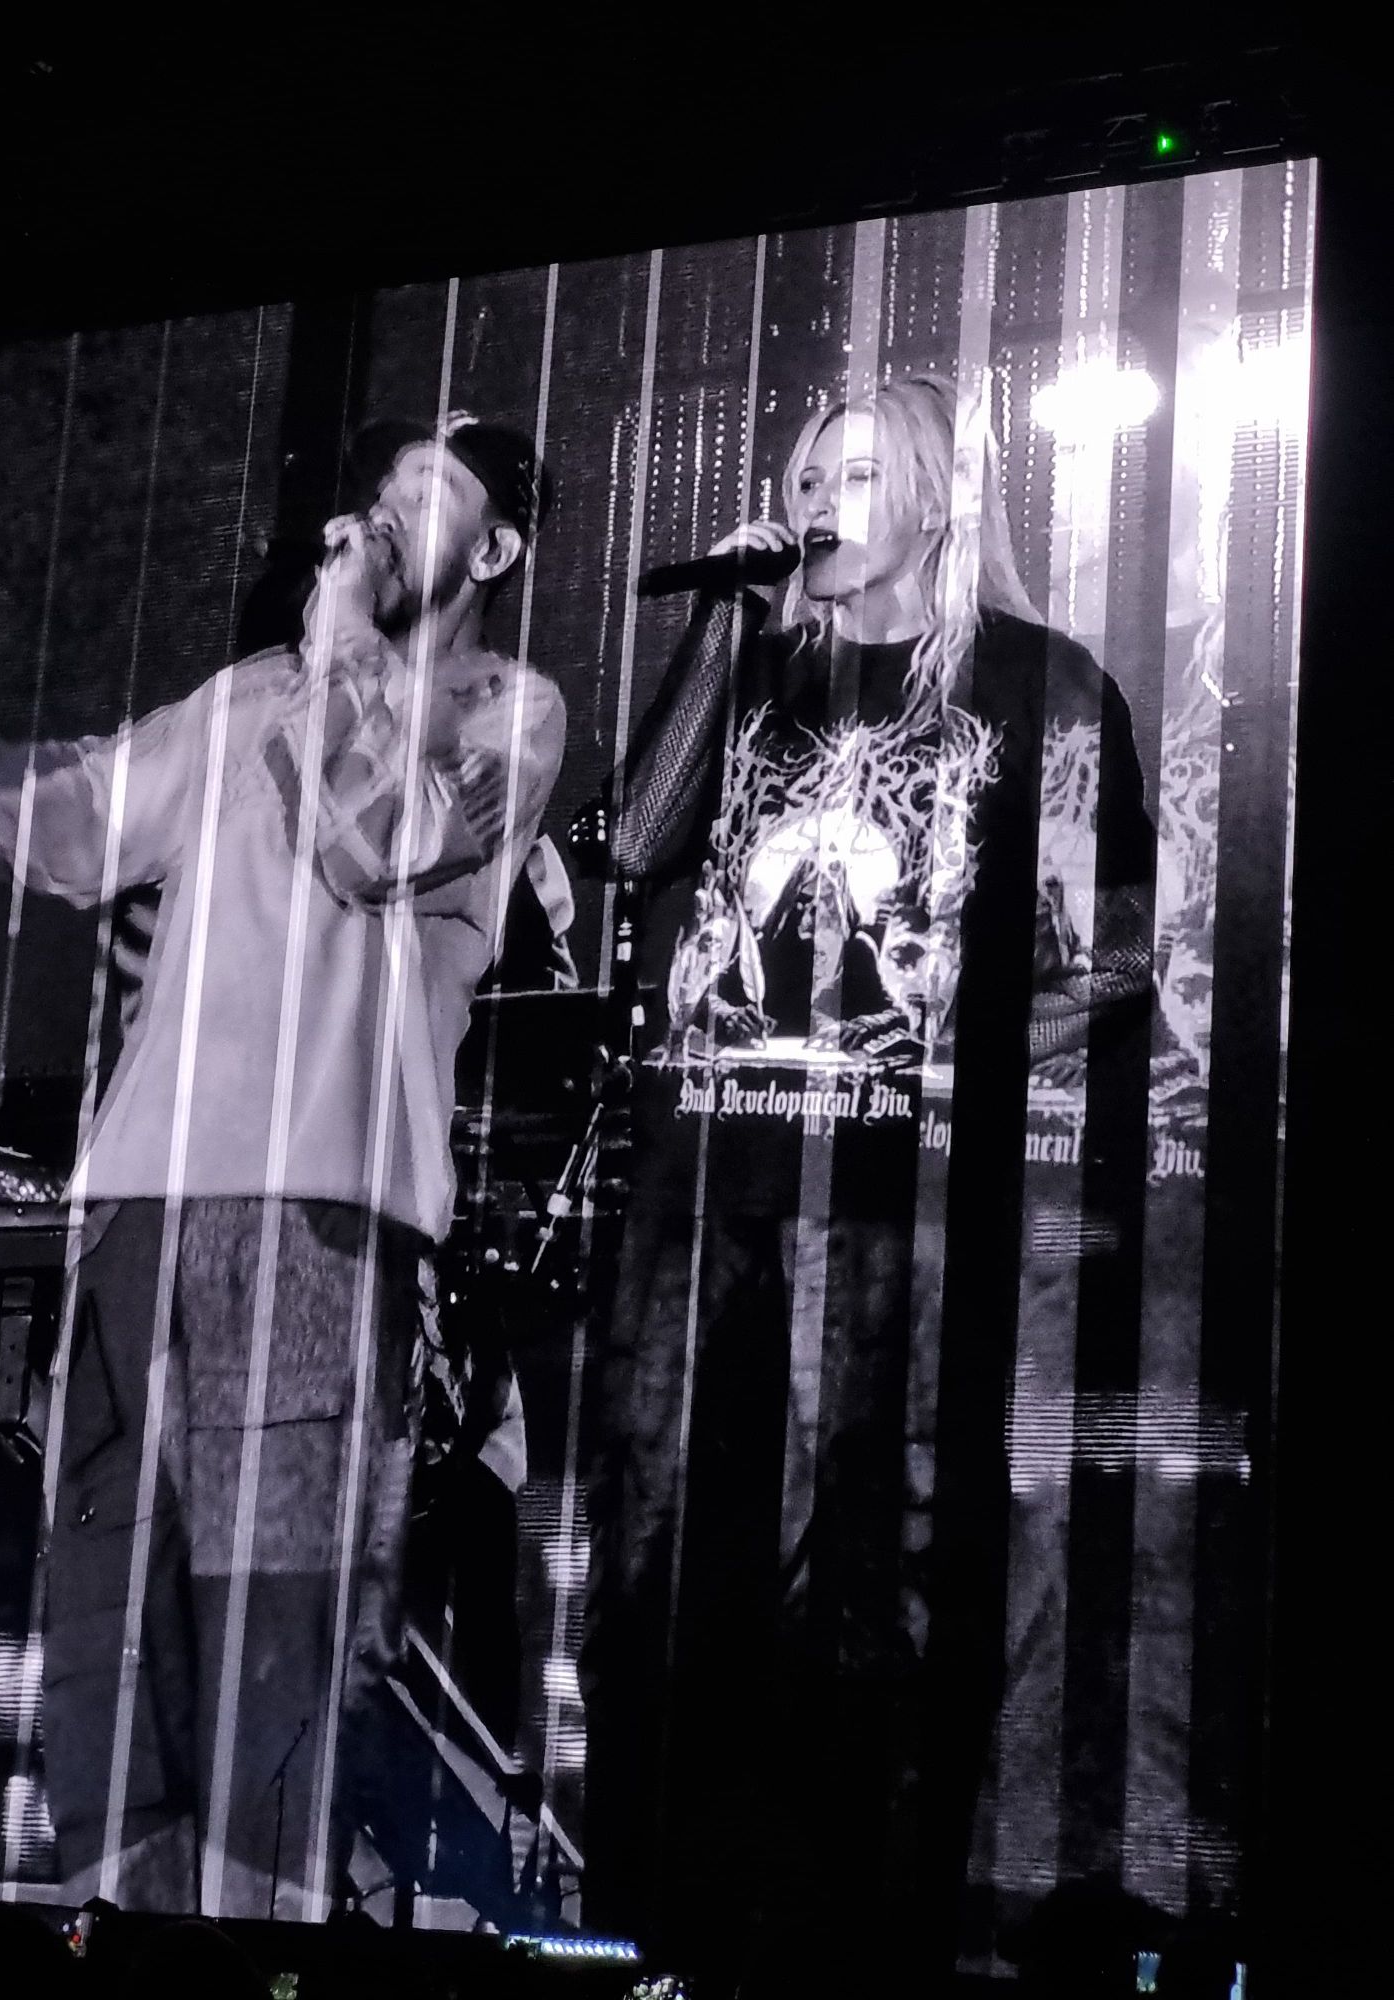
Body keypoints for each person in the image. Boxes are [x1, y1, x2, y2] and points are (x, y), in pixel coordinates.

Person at [0, 410, 566, 1919]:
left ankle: (249, 1946)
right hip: (141, 1203)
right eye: (382, 488)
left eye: (431, 493)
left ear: (497, 550)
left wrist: (340, 648)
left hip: (320, 1221)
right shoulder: (252, 691)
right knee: (111, 1624)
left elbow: (374, 845)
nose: (388, 512)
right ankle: (122, 1930)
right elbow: (93, 810)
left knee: (273, 1639)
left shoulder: (503, 715)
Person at [579, 376, 1155, 1977]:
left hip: (902, 1210)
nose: (817, 502)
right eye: (804, 476)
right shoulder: (758, 675)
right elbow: (636, 842)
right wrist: (725, 621)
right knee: (676, 1570)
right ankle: (685, 1926)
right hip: (710, 1199)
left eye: (853, 474)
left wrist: (954, 1059)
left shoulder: (1038, 684)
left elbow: (1117, 958)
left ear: (936, 498)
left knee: (871, 1576)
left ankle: (862, 1934)